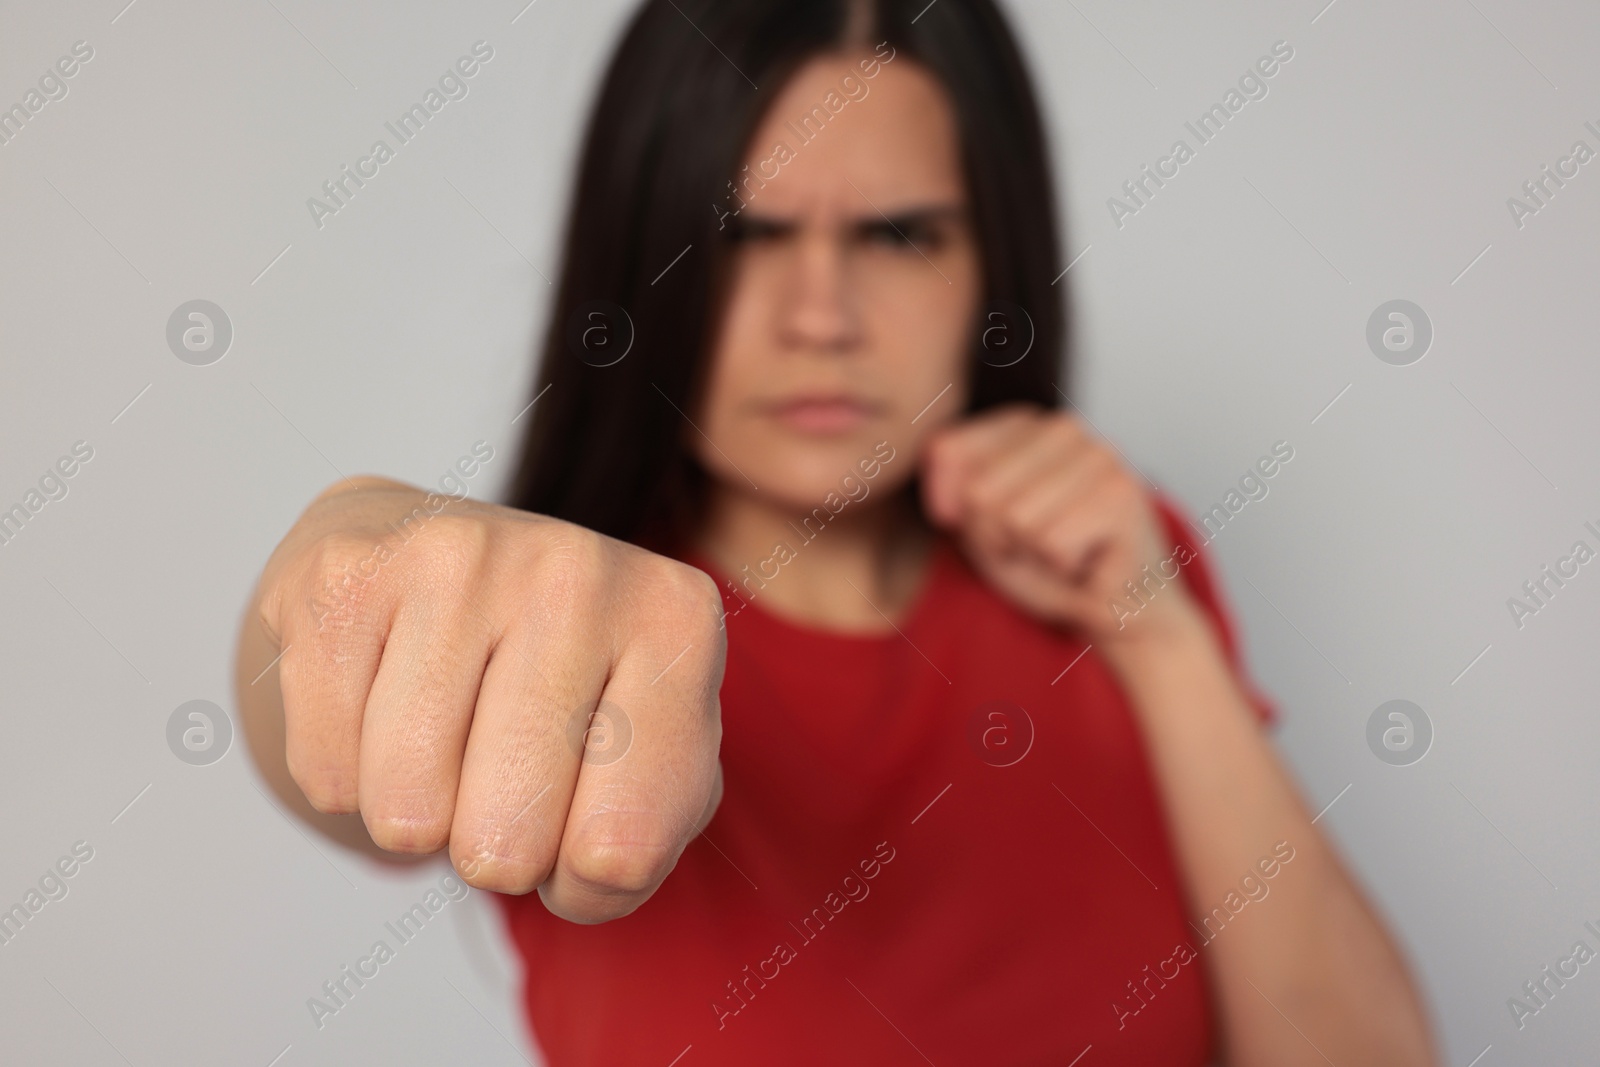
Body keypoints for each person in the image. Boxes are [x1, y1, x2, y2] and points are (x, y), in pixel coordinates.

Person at [240, 0, 1439, 1062]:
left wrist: (1159, 633)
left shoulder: (1114, 558)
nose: (821, 315)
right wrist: (352, 548)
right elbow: (335, 742)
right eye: (743, 236)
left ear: (993, 273)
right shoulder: (565, 630)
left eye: (899, 235)